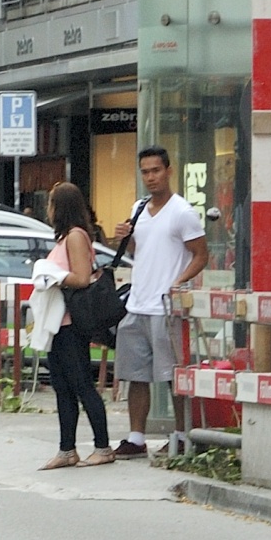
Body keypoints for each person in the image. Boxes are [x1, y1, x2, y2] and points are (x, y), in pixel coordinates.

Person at [112, 145, 209, 458]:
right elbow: (136, 253)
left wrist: (178, 283)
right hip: (137, 303)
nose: (150, 177)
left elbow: (201, 254)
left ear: (169, 170)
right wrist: (121, 239)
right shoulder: (139, 207)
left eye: (156, 170)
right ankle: (136, 437)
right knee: (136, 376)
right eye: (145, 172)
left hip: (166, 308)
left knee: (172, 376)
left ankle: (181, 435)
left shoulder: (182, 212)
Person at [34, 182, 114, 469]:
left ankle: (103, 446)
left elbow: (81, 278)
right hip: (58, 323)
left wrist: (51, 275)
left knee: (82, 384)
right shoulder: (65, 237)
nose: (48, 209)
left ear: (61, 207)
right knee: (62, 386)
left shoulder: (76, 237)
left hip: (71, 323)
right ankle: (66, 448)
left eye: (51, 203)